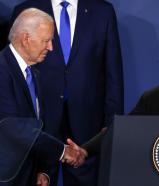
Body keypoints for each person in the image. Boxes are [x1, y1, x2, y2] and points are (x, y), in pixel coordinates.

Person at [11, 0, 124, 185]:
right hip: (41, 119)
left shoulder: (102, 11)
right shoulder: (25, 10)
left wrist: (112, 121)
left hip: (88, 120)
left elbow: (113, 70)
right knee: (40, 178)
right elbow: (16, 69)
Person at [0, 8, 87, 186]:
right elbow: (13, 127)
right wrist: (64, 151)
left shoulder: (34, 75)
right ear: (25, 39)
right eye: (46, 41)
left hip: (28, 176)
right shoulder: (1, 70)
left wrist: (43, 170)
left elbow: (39, 127)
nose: (51, 47)